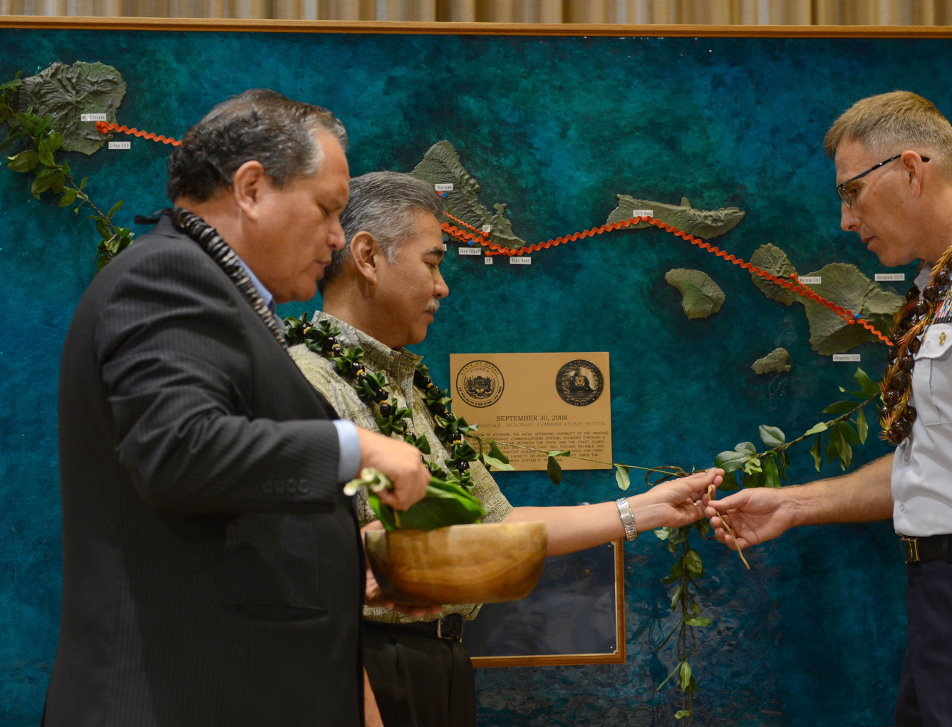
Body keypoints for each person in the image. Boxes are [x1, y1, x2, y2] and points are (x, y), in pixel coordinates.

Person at [707, 91, 952, 726]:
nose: (845, 219)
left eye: (852, 192)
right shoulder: (946, 283)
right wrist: (793, 504)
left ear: (912, 169)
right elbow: (940, 467)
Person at [46, 90, 431, 727]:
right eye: (329, 210)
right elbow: (179, 452)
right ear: (251, 188)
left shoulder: (216, 294)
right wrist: (357, 447)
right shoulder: (167, 275)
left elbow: (220, 506)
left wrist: (347, 558)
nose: (337, 238)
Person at [288, 170, 723, 727]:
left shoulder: (410, 385)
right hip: (366, 671)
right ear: (368, 257)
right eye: (433, 261)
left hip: (442, 662)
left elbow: (499, 524)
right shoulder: (309, 383)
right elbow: (304, 582)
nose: (443, 286)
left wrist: (645, 509)